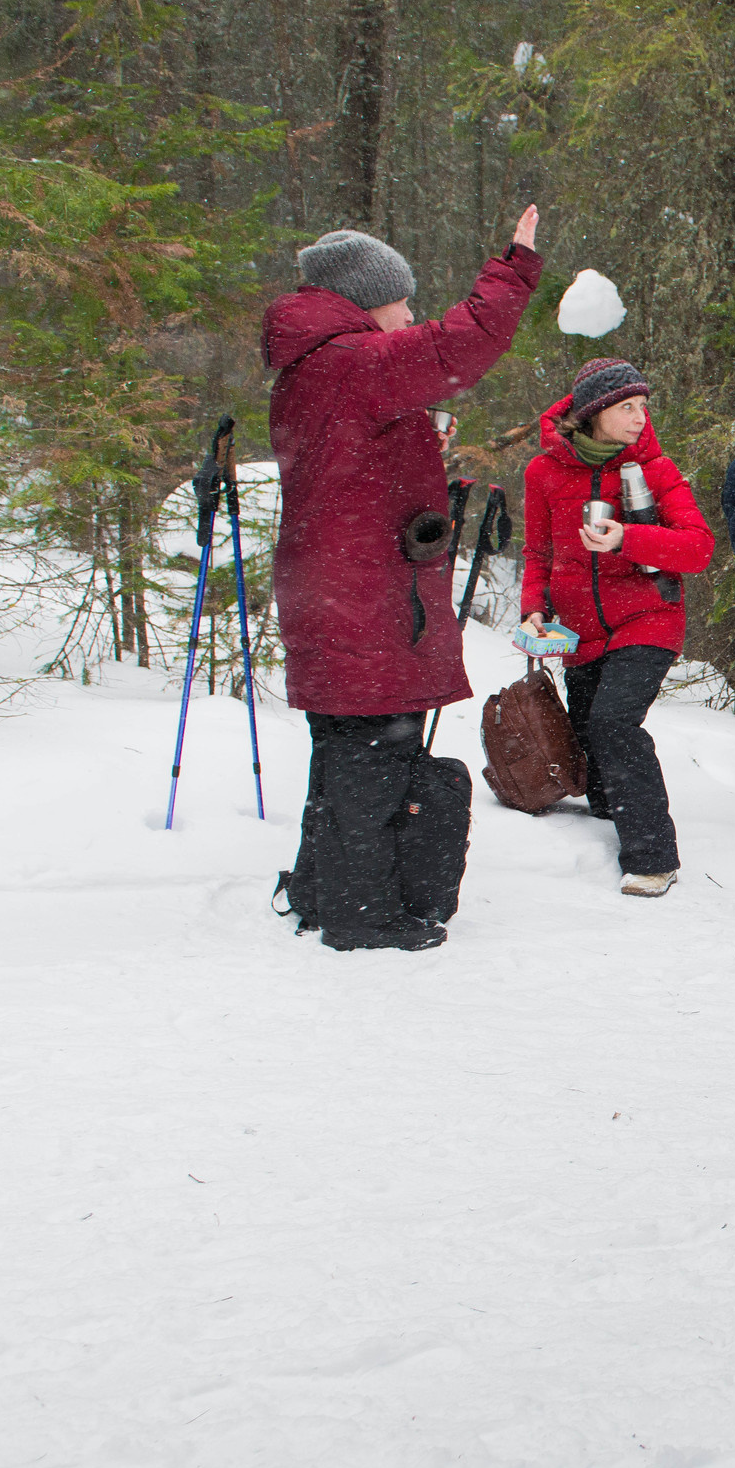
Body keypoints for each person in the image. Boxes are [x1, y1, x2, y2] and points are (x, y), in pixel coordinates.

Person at [265, 210, 545, 950]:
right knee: (372, 757)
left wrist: (418, 444)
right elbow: (465, 344)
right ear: (365, 300)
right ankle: (363, 918)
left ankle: (321, 891)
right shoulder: (353, 358)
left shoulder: (315, 365)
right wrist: (513, 268)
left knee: (343, 751)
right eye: (403, 300)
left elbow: (350, 467)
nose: (412, 314)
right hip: (362, 597)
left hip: (331, 587)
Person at [519, 359, 715, 897]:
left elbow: (698, 548)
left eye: (642, 407)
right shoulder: (544, 473)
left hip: (648, 617)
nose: (638, 418)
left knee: (613, 724)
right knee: (590, 740)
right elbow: (537, 551)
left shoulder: (656, 469)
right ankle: (603, 816)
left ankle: (653, 857)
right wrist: (534, 607)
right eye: (626, 407)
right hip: (579, 632)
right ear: (593, 411)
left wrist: (626, 538)